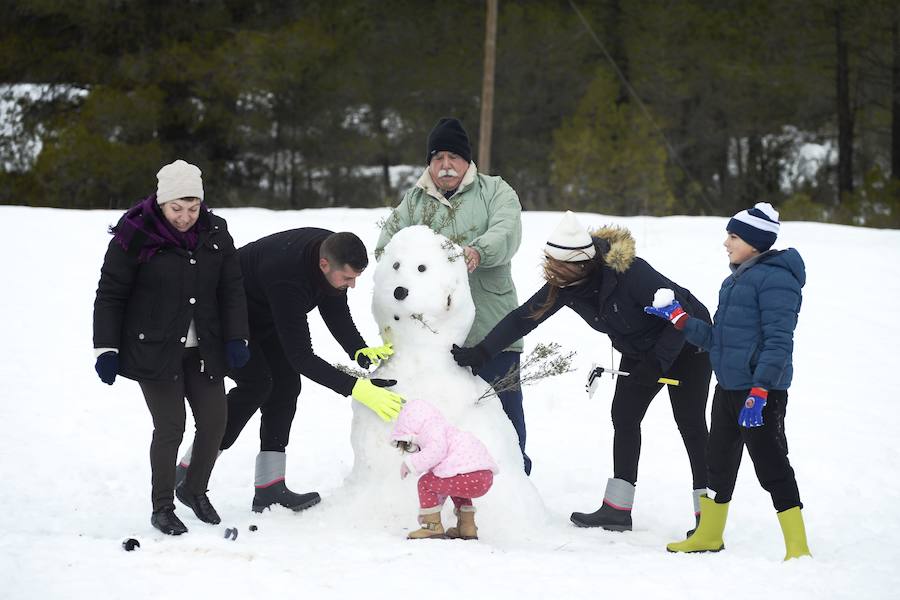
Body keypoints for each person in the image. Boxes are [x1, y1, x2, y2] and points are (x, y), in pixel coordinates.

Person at [452, 211, 713, 533]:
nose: (554, 277)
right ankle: (617, 510)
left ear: (582, 264)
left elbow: (679, 315)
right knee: (625, 417)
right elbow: (524, 318)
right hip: (640, 350)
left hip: (689, 343)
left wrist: (656, 365)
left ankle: (709, 518)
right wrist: (482, 351)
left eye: (560, 270)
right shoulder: (566, 283)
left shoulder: (632, 274)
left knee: (691, 425)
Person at [177, 227, 404, 513]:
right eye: (347, 278)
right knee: (257, 385)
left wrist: (357, 348)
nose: (352, 285)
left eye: (356, 278)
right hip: (224, 318)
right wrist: (354, 387)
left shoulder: (332, 249)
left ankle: (269, 487)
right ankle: (189, 471)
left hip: (264, 313)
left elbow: (334, 305)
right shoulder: (288, 275)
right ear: (324, 264)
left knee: (285, 386)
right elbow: (302, 357)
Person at [645, 202, 811, 560]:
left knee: (771, 463)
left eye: (733, 236)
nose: (726, 243)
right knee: (716, 463)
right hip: (729, 388)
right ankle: (709, 535)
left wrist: (761, 389)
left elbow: (779, 341)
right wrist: (678, 318)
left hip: (760, 392)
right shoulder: (734, 281)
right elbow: (719, 339)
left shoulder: (777, 279)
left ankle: (797, 547)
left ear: (754, 240)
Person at [93, 159, 250, 536]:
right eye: (176, 209)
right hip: (155, 348)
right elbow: (111, 294)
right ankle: (162, 507)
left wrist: (236, 337)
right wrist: (106, 348)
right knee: (170, 427)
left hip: (204, 347)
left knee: (214, 421)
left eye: (193, 208)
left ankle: (193, 489)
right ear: (161, 203)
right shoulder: (135, 235)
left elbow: (231, 289)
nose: (185, 217)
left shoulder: (216, 232)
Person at [376, 117, 531, 474]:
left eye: (454, 157)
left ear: (467, 161)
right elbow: (387, 248)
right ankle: (441, 479)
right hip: (435, 338)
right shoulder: (414, 202)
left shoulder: (495, 191)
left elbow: (507, 232)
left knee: (505, 413)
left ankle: (513, 482)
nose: (446, 165)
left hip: (492, 329)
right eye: (438, 157)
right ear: (429, 162)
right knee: (443, 412)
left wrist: (476, 251)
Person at [392, 399, 498, 540]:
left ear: (412, 425)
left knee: (425, 483)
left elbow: (436, 450)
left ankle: (432, 527)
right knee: (455, 486)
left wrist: (411, 463)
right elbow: (441, 488)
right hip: (483, 476)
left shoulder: (430, 428)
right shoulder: (445, 429)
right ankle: (467, 527)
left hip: (470, 474)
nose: (417, 450)